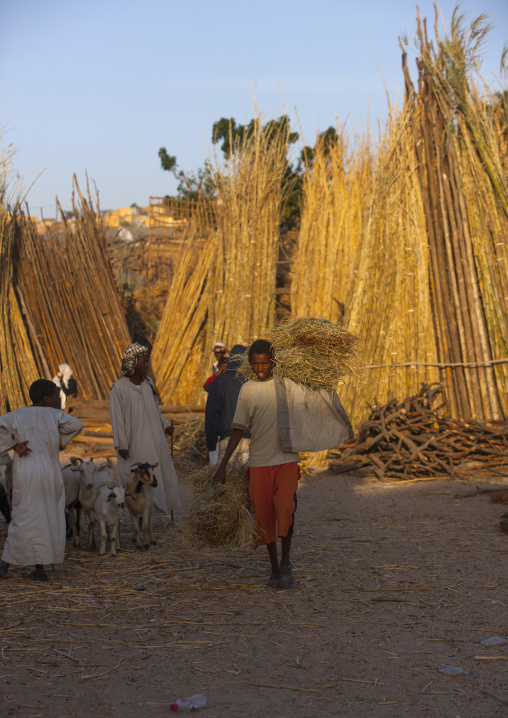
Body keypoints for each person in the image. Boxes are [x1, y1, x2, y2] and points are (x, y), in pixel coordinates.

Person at [213, 339, 299, 589]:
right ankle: (274, 569)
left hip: (287, 459)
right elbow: (238, 429)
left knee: (285, 508)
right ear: (250, 365)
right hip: (259, 462)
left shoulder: (287, 385)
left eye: (265, 363)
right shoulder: (248, 389)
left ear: (273, 362)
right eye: (255, 364)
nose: (260, 368)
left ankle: (286, 562)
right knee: (263, 517)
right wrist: (222, 466)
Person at [0, 379, 84, 581]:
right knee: (45, 517)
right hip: (50, 474)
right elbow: (77, 424)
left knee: (24, 518)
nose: (57, 399)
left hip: (27, 473)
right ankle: (33, 569)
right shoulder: (55, 415)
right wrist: (58, 437)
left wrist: (14, 445)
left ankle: (14, 567)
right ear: (46, 398)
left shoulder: (16, 415)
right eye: (55, 395)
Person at [109, 343, 181, 517]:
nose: (147, 366)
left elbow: (155, 411)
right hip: (134, 445)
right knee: (137, 481)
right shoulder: (119, 388)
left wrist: (165, 425)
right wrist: (122, 445)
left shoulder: (149, 383)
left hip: (154, 441)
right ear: (133, 364)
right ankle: (139, 517)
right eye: (144, 362)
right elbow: (116, 419)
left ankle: (152, 516)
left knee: (155, 478)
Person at [205, 344, 251, 465]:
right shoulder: (252, 381)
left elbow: (212, 413)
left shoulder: (220, 381)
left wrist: (211, 442)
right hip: (250, 438)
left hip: (227, 437)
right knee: (246, 478)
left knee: (226, 475)